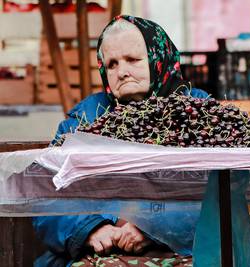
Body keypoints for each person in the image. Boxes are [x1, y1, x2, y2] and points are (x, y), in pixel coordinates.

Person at [33, 15, 208, 267]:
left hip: (185, 250)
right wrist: (91, 230)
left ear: (159, 58)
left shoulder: (199, 114)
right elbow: (45, 195)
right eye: (112, 64)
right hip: (96, 253)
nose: (122, 72)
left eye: (133, 60)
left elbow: (219, 195)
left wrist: (153, 228)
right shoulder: (83, 120)